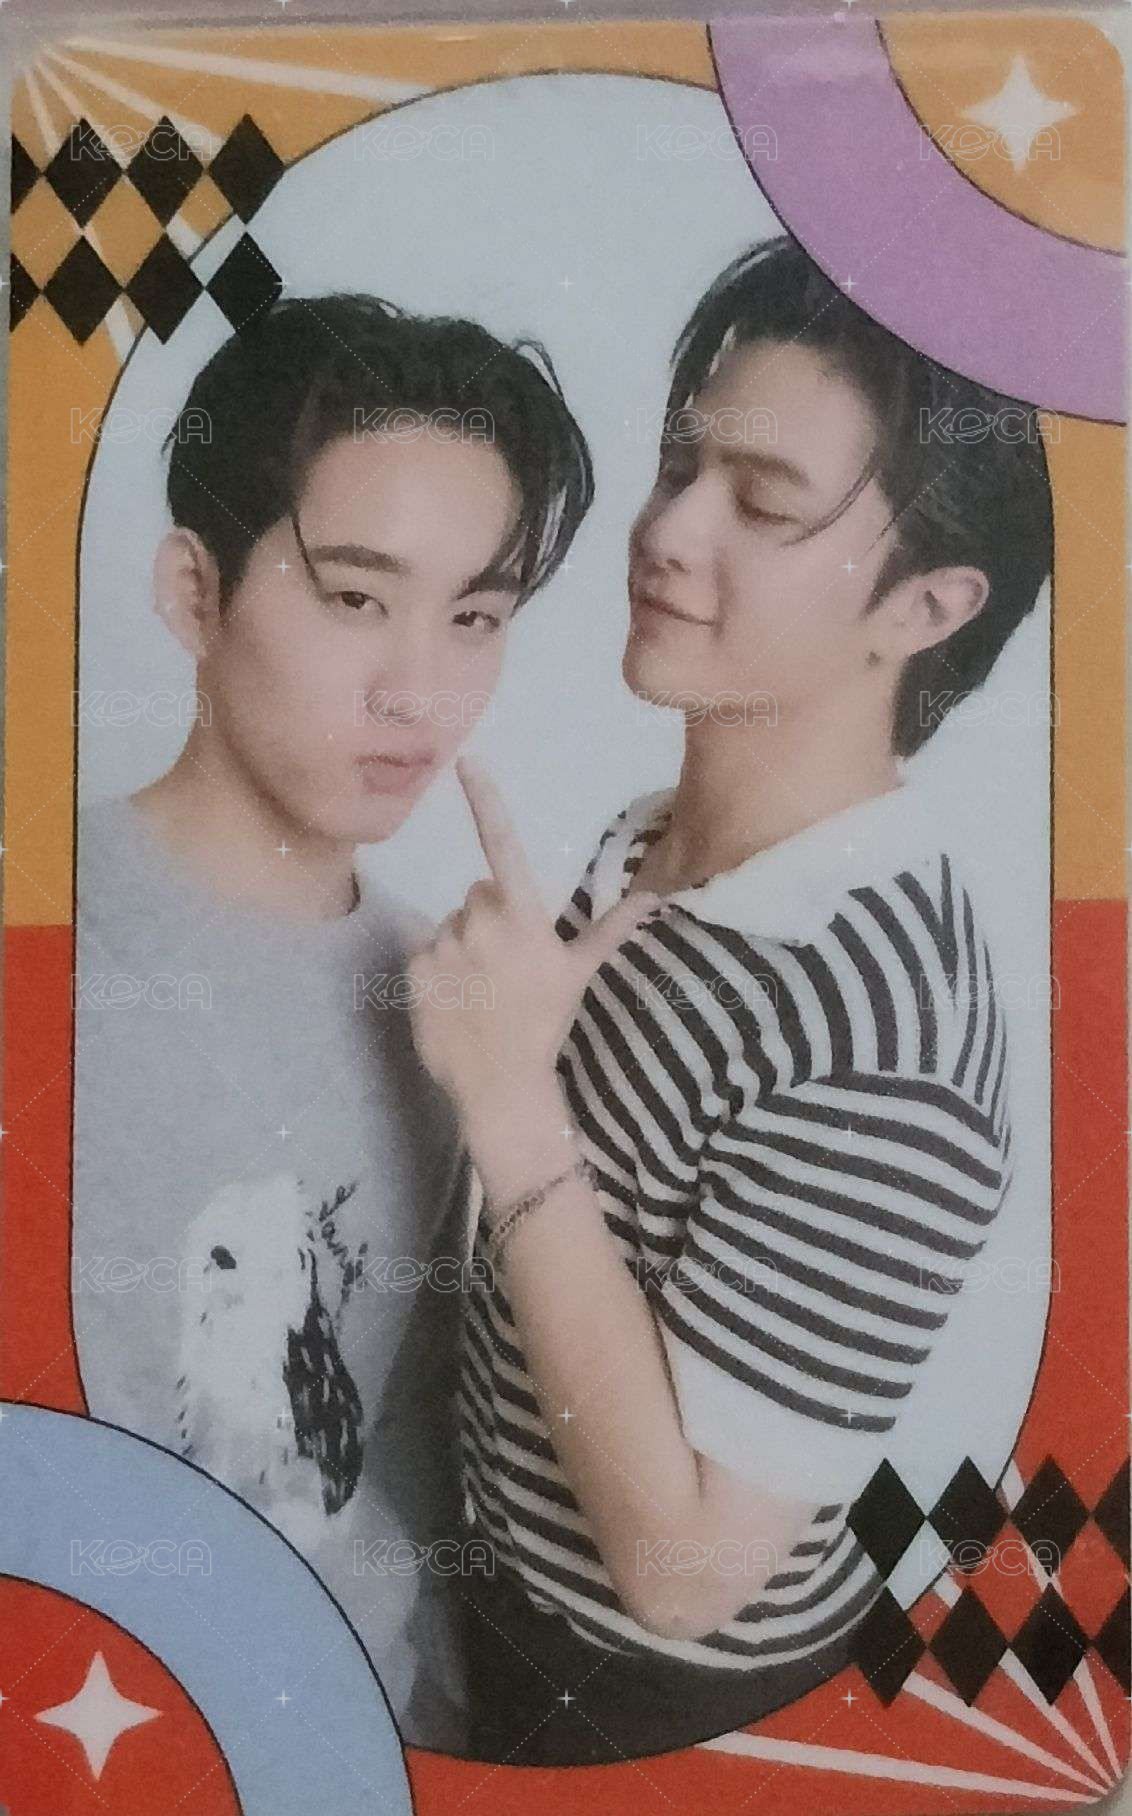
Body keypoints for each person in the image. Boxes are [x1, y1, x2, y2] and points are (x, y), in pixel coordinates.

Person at [409, 235, 1054, 1763]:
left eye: (762, 505)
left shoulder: (887, 1031)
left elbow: (688, 1575)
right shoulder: (653, 835)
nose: (666, 529)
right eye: (679, 464)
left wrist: (510, 1105)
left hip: (650, 1710)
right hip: (488, 1599)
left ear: (925, 607)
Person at [71, 292, 593, 1749]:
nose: (419, 695)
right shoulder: (51, 942)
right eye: (356, 597)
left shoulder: (447, 991)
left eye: (474, 618)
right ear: (194, 594)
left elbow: (400, 1443)